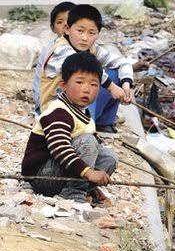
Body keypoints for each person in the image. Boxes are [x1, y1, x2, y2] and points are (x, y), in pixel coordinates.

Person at [22, 52, 117, 203]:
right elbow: (59, 147)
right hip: (42, 177)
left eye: (94, 84)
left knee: (109, 157)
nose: (87, 89)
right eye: (80, 82)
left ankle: (84, 187)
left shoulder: (85, 115)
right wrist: (88, 173)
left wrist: (93, 179)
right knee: (87, 141)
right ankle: (74, 192)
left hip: (63, 173)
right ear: (63, 85)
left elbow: (94, 150)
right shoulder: (59, 111)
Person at [38, 4, 148, 133]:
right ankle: (87, 129)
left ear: (98, 34)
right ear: (67, 29)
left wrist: (126, 85)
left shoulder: (93, 49)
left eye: (91, 33)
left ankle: (103, 123)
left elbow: (122, 62)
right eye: (80, 31)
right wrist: (112, 88)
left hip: (78, 106)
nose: (85, 38)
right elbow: (84, 68)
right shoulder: (60, 49)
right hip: (56, 111)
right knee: (88, 82)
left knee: (115, 74)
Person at [33, 1, 76, 113]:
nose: (65, 25)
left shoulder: (80, 43)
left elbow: (114, 60)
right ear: (53, 28)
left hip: (64, 97)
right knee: (87, 80)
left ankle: (105, 121)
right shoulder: (57, 48)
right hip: (48, 102)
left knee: (112, 74)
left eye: (69, 21)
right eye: (60, 22)